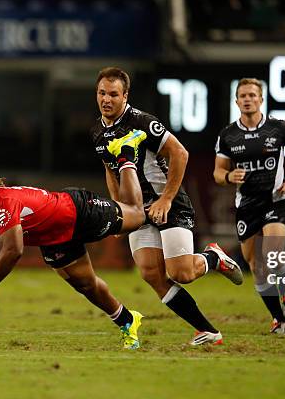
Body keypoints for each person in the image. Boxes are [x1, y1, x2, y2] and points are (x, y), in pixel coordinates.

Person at [90, 66, 243, 346]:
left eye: (113, 94)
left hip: (169, 204)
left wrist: (166, 199)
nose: (106, 99)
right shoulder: (98, 132)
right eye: (102, 93)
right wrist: (119, 210)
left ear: (125, 96)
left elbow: (180, 153)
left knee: (181, 273)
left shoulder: (143, 122)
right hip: (138, 210)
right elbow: (111, 170)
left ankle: (213, 258)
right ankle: (207, 331)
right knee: (150, 273)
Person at [0, 139, 147, 349]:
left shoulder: (2, 203)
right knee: (86, 285)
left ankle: (125, 153)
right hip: (54, 240)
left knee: (137, 214)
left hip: (77, 212)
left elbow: (14, 249)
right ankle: (128, 321)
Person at [213, 78, 285, 334]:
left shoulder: (277, 128)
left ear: (260, 99)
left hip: (275, 201)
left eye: (252, 95)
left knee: (273, 251)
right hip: (246, 206)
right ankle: (279, 318)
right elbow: (217, 172)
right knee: (256, 266)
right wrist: (227, 177)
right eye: (243, 95)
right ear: (236, 101)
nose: (247, 99)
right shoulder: (227, 135)